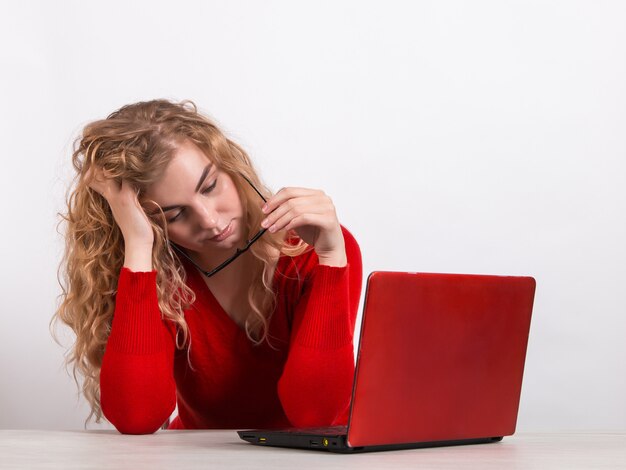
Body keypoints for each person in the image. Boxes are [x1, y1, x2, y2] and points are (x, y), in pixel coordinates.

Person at [53, 99, 363, 434]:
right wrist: (138, 246)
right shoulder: (149, 270)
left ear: (229, 164)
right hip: (200, 459)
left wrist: (332, 258)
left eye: (211, 186)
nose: (211, 221)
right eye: (174, 215)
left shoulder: (316, 245)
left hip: (315, 459)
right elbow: (137, 416)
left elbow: (314, 414)